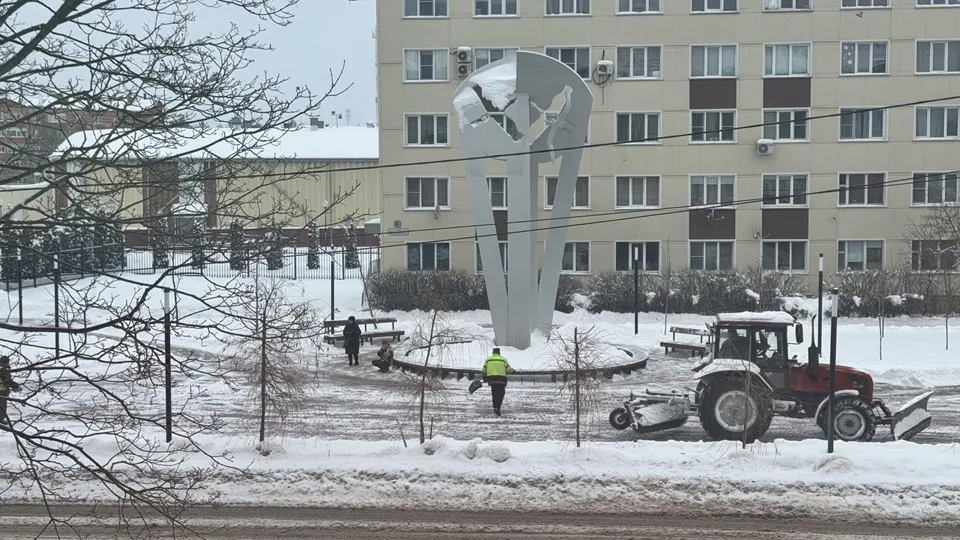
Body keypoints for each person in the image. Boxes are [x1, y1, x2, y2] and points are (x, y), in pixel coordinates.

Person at [482, 347, 515, 417]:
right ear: (499, 353)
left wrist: (485, 377)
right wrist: (513, 371)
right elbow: (508, 369)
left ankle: (495, 407)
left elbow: (484, 370)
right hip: (501, 379)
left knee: (494, 393)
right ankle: (498, 406)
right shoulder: (503, 359)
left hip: (492, 379)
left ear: (493, 353)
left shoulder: (488, 360)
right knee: (501, 393)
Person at [0, 355, 21, 425]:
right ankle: (0, 419)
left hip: (3, 390)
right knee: (2, 406)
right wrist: (16, 386)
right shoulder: (4, 370)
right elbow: (7, 380)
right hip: (2, 391)